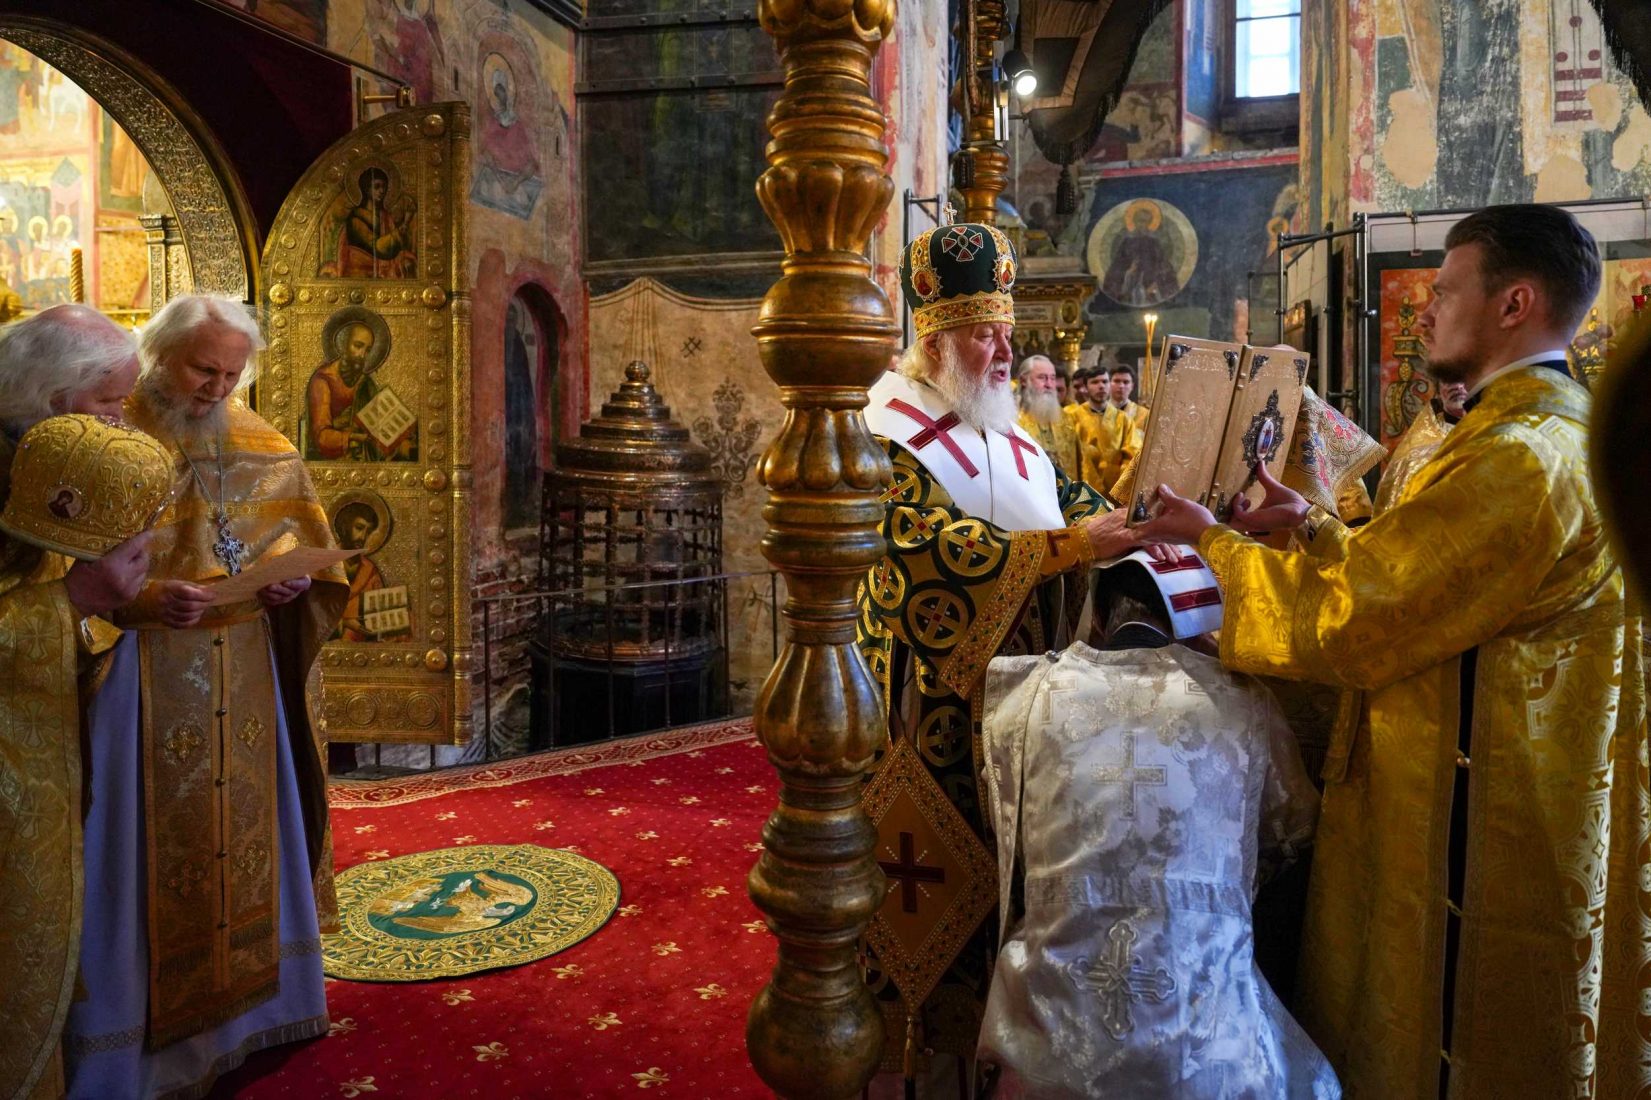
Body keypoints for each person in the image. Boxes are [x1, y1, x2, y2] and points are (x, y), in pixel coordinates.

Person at [1139, 204, 1649, 1098]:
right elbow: (1423, 580)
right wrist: (1311, 524)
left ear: (1513, 304)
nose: (1425, 312)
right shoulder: (1543, 432)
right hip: (1521, 795)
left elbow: (1357, 620)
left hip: (1480, 834)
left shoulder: (1519, 458)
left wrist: (1211, 542)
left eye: (1444, 292)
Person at [858, 220, 1160, 1080]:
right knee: (939, 881)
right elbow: (916, 548)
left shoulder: (1009, 429)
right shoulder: (887, 425)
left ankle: (1006, 1039)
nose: (1003, 349)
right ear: (935, 340)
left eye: (1004, 330)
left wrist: (1139, 520)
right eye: (983, 333)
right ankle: (919, 1045)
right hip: (930, 704)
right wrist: (1066, 549)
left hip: (1028, 697)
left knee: (1016, 876)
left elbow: (1070, 501)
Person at [62, 294, 349, 1099]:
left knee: (246, 841)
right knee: (136, 856)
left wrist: (291, 585)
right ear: (157, 354)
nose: (218, 388)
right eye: (202, 369)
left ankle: (259, 1013)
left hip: (246, 678)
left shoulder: (263, 443)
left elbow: (304, 550)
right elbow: (57, 578)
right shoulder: (101, 440)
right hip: (138, 683)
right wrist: (147, 599)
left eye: (231, 373)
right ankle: (132, 1043)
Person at [978, 552, 1338, 1097]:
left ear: (1100, 617)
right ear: (1196, 623)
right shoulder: (1243, 700)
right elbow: (1294, 826)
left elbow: (1012, 839)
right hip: (1203, 1055)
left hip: (1052, 1041)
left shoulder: (1026, 697)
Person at [0, 307, 159, 1099]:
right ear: (48, 396)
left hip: (41, 768)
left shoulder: (54, 465)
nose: (120, 419)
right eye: (108, 402)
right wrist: (74, 601)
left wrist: (98, 608)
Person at [304, 318, 418, 461]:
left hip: (366, 454)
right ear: (342, 344)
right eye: (358, 346)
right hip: (335, 458)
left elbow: (379, 424)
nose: (362, 355)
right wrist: (352, 436)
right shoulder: (323, 380)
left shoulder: (365, 382)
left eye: (367, 350)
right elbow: (321, 437)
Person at [1371, 377, 1467, 516]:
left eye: (1464, 378)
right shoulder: (1414, 455)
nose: (1457, 387)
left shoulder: (1495, 431)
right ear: (1438, 390)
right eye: (1448, 378)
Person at [1014, 354, 1081, 478]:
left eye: (1052, 378)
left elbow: (1081, 465)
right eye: (1042, 378)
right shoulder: (1013, 421)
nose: (1049, 385)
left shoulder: (1068, 420)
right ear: (1023, 381)